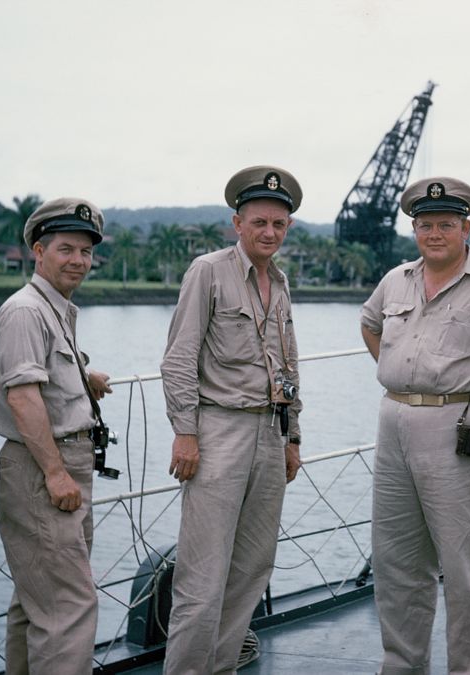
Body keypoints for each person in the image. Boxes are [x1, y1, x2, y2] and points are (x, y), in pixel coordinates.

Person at [361, 177, 470, 675]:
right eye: (425, 225)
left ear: (466, 228)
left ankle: (469, 669)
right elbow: (370, 323)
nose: (434, 233)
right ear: (414, 228)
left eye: (445, 225)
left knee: (466, 570)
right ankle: (402, 666)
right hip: (393, 422)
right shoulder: (397, 279)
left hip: (460, 426)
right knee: (396, 563)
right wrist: (396, 371)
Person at [161, 165, 303, 675]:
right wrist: (185, 433)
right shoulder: (209, 271)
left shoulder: (280, 284)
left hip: (270, 433)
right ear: (236, 223)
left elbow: (287, 365)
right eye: (260, 222)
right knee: (202, 576)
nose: (269, 233)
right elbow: (179, 357)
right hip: (218, 431)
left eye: (279, 225)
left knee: (250, 569)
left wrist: (292, 438)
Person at [0, 197, 112, 674]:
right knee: (69, 609)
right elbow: (22, 398)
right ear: (38, 252)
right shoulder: (25, 311)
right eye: (66, 249)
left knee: (36, 602)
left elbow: (47, 371)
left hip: (59, 467)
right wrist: (57, 474)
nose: (78, 261)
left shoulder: (54, 308)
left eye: (85, 252)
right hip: (44, 471)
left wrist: (85, 373)